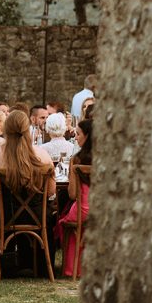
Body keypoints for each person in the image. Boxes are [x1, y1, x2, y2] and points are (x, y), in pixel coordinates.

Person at [0, 110, 56, 275]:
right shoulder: (43, 155)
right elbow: (51, 191)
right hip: (37, 214)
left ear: (6, 129)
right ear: (27, 129)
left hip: (5, 213)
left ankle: (0, 262)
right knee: (50, 212)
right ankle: (38, 263)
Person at [56, 118, 93, 276]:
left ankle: (74, 268)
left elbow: (72, 194)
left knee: (64, 218)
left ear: (88, 136)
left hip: (83, 210)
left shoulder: (76, 160)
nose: (75, 137)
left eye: (78, 134)